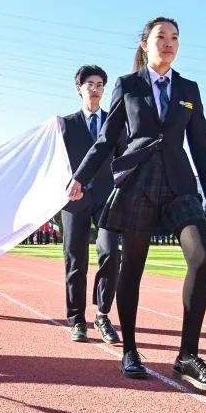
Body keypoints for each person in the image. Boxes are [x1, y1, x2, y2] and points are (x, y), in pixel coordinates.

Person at [68, 17, 206, 391]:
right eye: (161, 37)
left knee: (202, 257)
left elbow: (201, 146)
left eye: (174, 37)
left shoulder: (188, 89)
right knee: (133, 267)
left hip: (179, 183)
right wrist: (81, 177)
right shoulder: (128, 84)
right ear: (145, 44)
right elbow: (107, 140)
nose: (168, 43)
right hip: (138, 182)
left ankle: (187, 356)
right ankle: (131, 351)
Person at [60, 65, 126, 344]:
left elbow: (123, 158)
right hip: (74, 200)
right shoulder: (65, 124)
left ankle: (102, 314)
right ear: (79, 88)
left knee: (111, 253)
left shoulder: (116, 122)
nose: (95, 89)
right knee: (75, 259)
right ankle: (77, 320)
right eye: (90, 84)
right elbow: (57, 163)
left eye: (100, 84)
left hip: (108, 198)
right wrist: (67, 186)